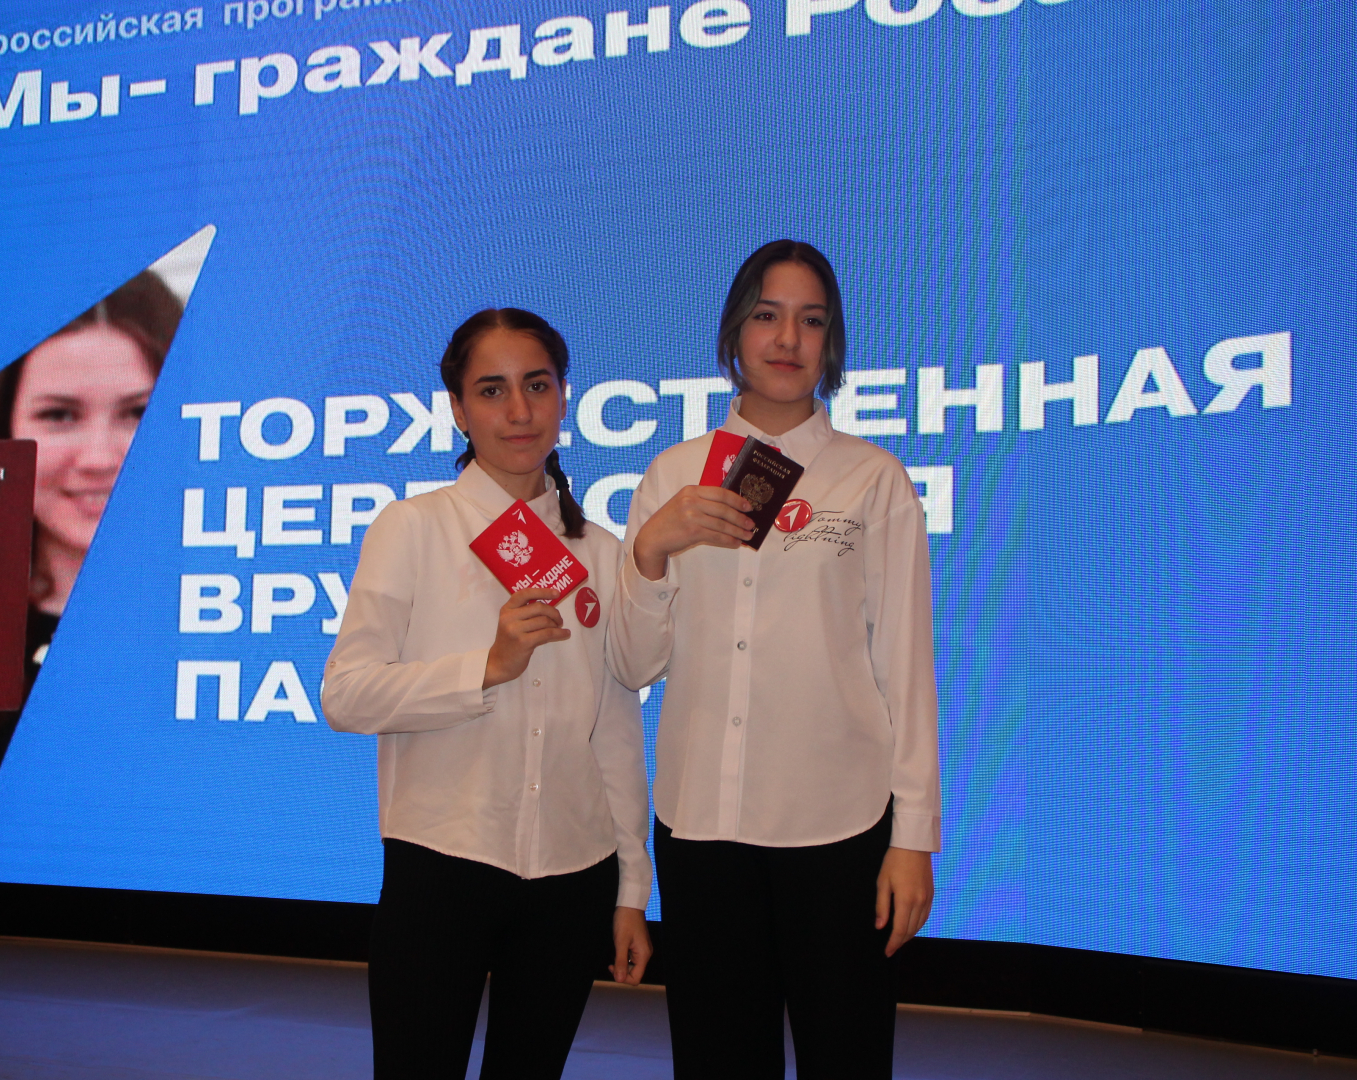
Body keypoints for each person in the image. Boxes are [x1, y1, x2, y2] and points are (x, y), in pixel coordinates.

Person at [608, 240, 942, 1079]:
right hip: (702, 828)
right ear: (734, 334)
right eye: (767, 315)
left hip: (839, 827)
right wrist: (650, 551)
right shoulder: (673, 475)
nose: (788, 338)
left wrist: (913, 838)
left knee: (846, 1057)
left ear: (832, 342)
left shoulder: (873, 479)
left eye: (811, 320)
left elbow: (905, 667)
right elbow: (635, 664)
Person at [321, 308, 653, 1080]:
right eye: (492, 390)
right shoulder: (413, 528)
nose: (519, 411)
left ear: (565, 397)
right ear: (458, 409)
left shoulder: (601, 553)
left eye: (537, 385)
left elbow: (614, 729)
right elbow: (346, 695)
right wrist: (487, 667)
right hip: (443, 863)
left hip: (574, 873)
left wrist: (631, 887)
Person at [0, 270, 180, 879]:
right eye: (60, 414)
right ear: (7, 429)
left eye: (140, 412)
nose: (99, 457)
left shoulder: (243, 621)